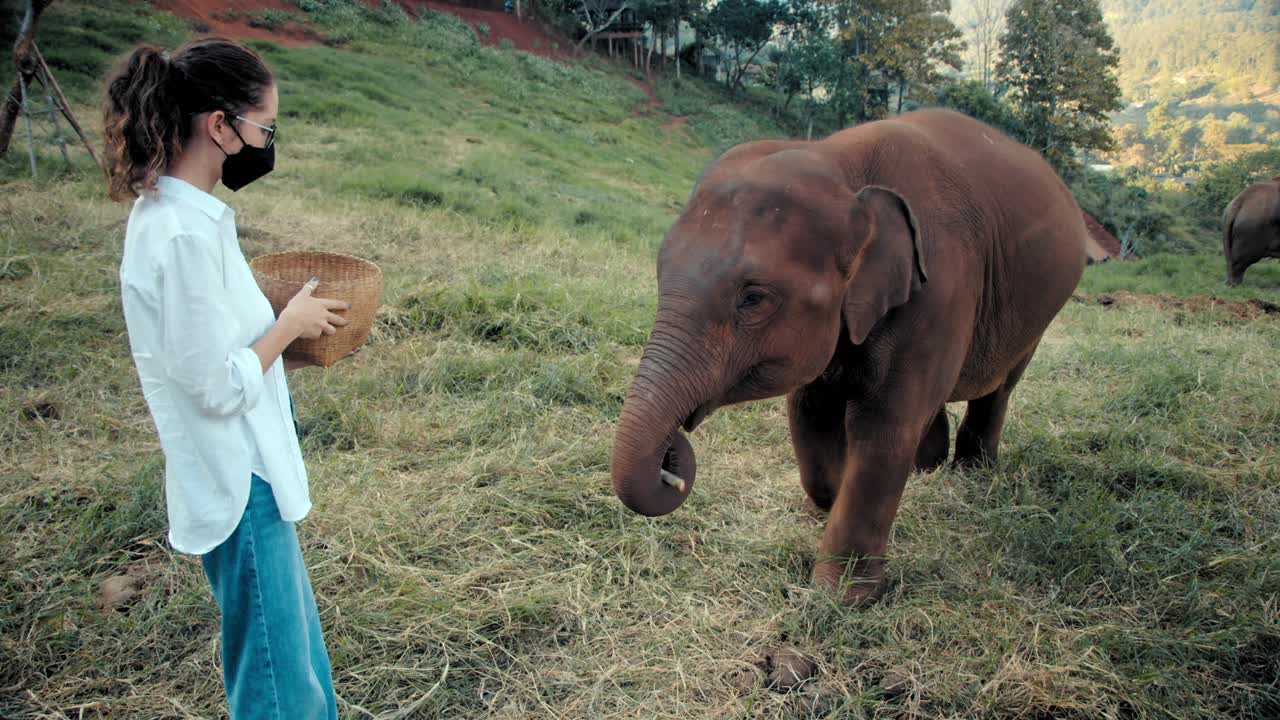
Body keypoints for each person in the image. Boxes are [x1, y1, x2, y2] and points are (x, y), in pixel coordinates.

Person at [104, 37, 348, 720]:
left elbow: (222, 351)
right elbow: (213, 385)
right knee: (276, 685)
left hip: (255, 474)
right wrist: (288, 323)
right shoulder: (178, 235)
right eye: (263, 129)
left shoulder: (196, 221)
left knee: (300, 666)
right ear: (220, 126)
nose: (267, 143)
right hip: (236, 484)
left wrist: (292, 343)